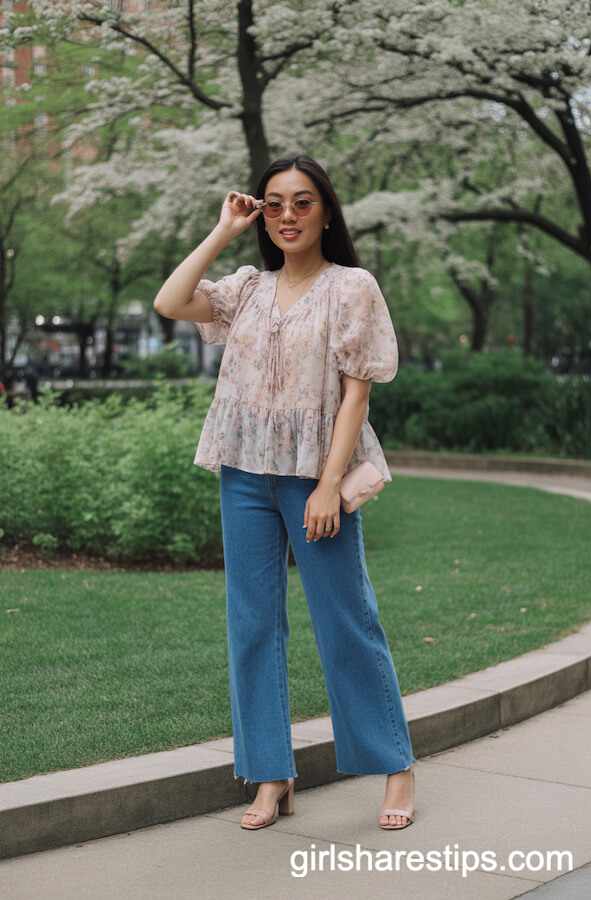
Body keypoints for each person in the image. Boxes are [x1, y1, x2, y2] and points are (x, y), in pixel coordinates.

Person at [154, 154, 415, 831]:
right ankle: (271, 776)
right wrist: (223, 230)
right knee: (252, 624)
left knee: (346, 619)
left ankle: (396, 769)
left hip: (315, 476)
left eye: (302, 202)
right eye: (274, 204)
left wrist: (328, 485)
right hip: (243, 471)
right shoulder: (246, 287)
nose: (288, 215)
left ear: (325, 210)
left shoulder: (351, 286)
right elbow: (170, 301)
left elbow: (357, 392)